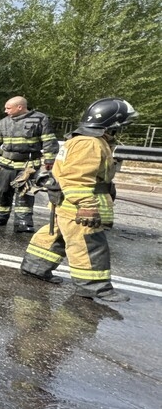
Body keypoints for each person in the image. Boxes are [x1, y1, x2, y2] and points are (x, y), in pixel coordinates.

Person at [20, 98, 138, 303]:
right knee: (88, 245)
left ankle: (35, 268)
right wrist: (87, 206)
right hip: (78, 206)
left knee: (55, 236)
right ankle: (94, 287)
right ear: (111, 123)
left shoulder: (82, 140)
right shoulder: (89, 143)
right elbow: (76, 178)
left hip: (66, 203)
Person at [0, 96, 58, 232]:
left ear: (19, 107)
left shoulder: (40, 119)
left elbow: (49, 141)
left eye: (8, 108)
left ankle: (23, 222)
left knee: (25, 194)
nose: (5, 111)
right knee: (3, 192)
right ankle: (0, 217)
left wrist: (50, 160)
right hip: (5, 164)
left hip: (27, 166)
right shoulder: (3, 122)